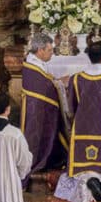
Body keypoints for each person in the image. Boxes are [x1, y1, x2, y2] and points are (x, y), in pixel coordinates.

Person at [54, 42, 101, 202]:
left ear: (89, 57)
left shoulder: (76, 79)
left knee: (81, 169)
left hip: (82, 131)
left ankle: (89, 180)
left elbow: (71, 107)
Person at [20, 35, 69, 188]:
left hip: (39, 109)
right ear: (40, 50)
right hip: (37, 113)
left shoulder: (36, 63)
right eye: (49, 50)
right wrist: (60, 83)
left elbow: (46, 82)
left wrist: (57, 82)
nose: (51, 54)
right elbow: (46, 87)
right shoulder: (32, 66)